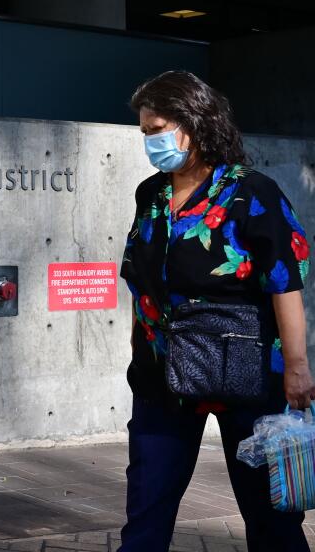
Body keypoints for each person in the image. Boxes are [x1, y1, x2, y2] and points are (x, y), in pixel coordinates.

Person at [118, 70, 314, 551]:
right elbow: (141, 281)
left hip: (248, 371)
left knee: (272, 522)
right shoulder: (152, 194)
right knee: (145, 516)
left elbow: (285, 281)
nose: (150, 141)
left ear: (194, 123)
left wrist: (297, 367)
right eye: (145, 132)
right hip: (162, 375)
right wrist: (138, 353)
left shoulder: (252, 191)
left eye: (156, 128)